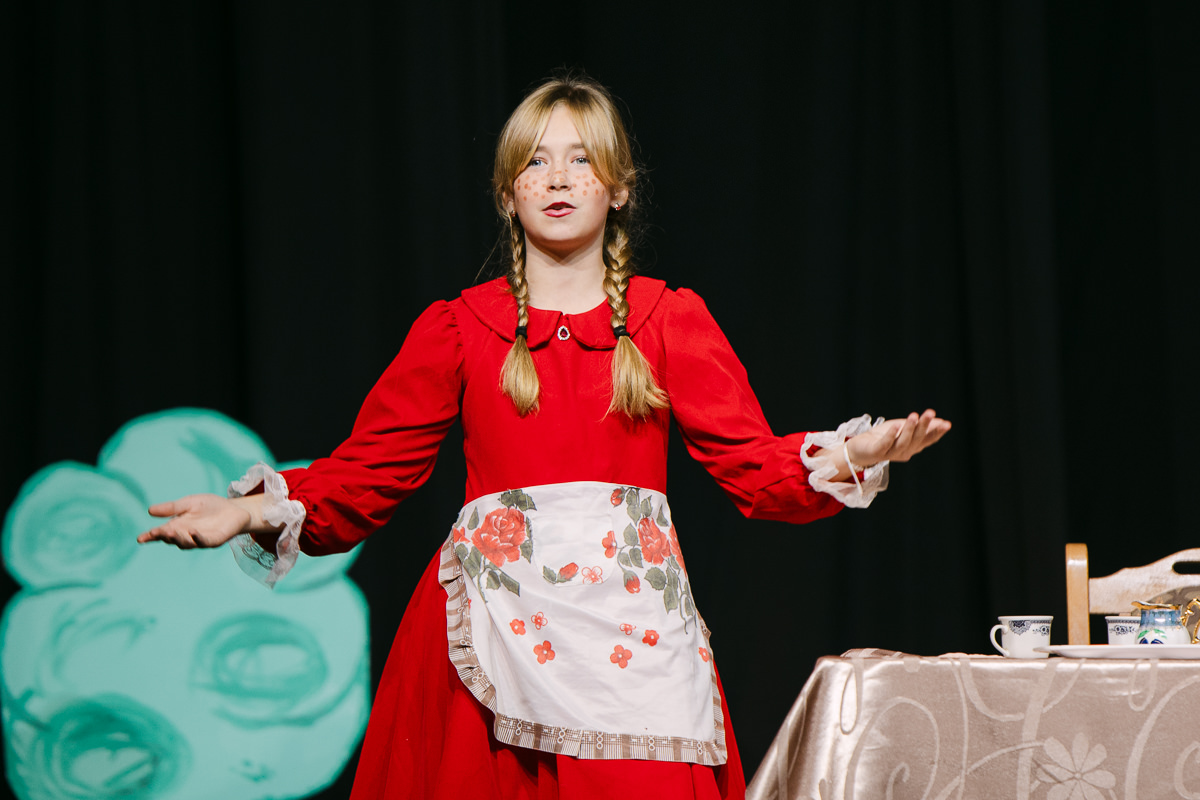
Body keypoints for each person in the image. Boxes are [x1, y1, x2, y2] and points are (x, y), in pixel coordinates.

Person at [138, 74, 950, 800]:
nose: (557, 178)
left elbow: (750, 465)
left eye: (580, 160)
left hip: (632, 641)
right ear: (507, 192)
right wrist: (252, 510)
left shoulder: (669, 320)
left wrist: (853, 453)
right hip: (490, 639)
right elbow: (370, 470)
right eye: (535, 161)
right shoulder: (459, 330)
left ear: (619, 188)